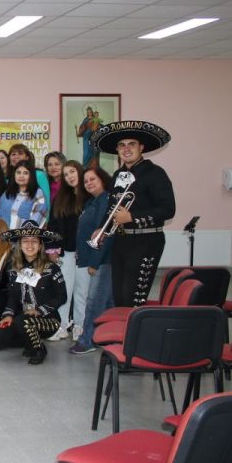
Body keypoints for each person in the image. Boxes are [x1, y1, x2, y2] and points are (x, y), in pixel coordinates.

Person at [90, 120, 174, 308]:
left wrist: (132, 217)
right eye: (121, 145)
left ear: (141, 147)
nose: (126, 149)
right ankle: (122, 336)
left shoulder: (155, 173)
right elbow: (112, 208)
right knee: (119, 297)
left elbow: (168, 209)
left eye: (131, 144)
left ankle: (135, 336)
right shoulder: (118, 175)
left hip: (147, 242)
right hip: (121, 242)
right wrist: (102, 229)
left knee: (132, 298)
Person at [0, 221, 66, 365]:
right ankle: (29, 343)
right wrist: (8, 315)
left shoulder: (51, 268)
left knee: (23, 321)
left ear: (40, 245)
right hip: (22, 318)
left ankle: (39, 349)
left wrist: (40, 311)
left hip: (49, 320)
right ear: (19, 245)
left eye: (34, 241)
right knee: (1, 335)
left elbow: (61, 296)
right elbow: (13, 296)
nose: (29, 245)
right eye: (25, 241)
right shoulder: (13, 269)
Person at [69, 166, 115, 355]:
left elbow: (104, 235)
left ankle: (87, 340)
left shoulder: (105, 201)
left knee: (94, 301)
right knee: (106, 301)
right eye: (86, 181)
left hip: (102, 261)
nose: (88, 183)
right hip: (93, 259)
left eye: (92, 179)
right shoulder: (92, 203)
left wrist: (95, 263)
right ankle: (109, 338)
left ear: (103, 179)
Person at [47, 160, 89, 342]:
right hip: (66, 253)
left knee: (82, 291)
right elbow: (52, 224)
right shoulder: (60, 198)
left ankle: (80, 325)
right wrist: (52, 248)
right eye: (66, 174)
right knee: (64, 290)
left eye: (72, 172)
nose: (70, 176)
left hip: (85, 254)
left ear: (80, 171)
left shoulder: (90, 197)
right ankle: (62, 325)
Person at [0, 159, 47, 228]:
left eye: (25, 173)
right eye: (18, 172)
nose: (21, 176)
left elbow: (36, 221)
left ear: (31, 176)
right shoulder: (7, 193)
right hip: (4, 237)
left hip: (26, 237)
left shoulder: (38, 194)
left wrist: (22, 237)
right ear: (14, 174)